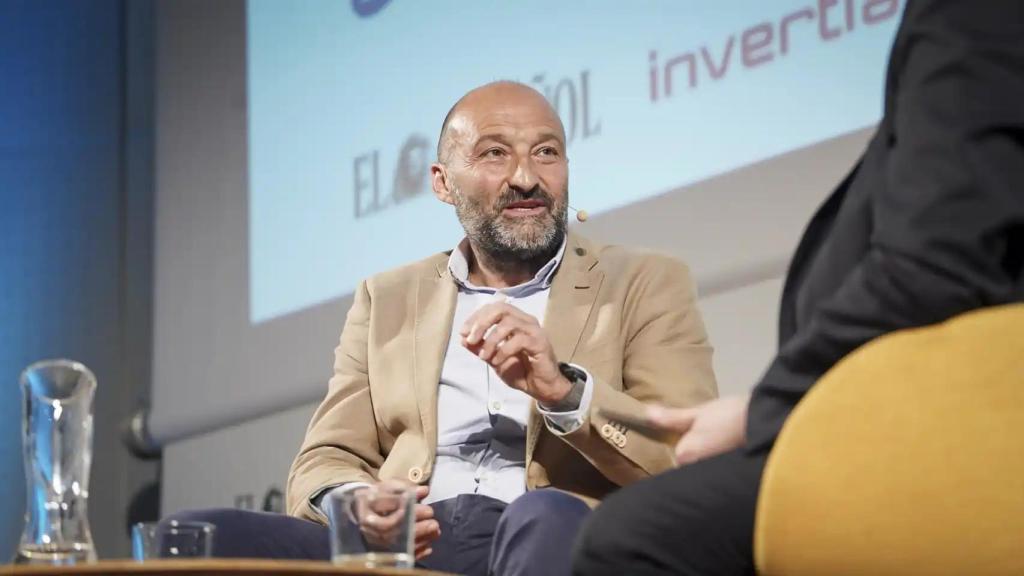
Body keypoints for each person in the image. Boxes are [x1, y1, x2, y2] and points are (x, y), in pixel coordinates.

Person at [171, 81, 717, 576]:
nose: (526, 177)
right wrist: (357, 502)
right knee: (200, 534)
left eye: (546, 152)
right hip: (411, 545)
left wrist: (563, 392)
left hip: (544, 529)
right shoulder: (387, 297)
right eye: (495, 153)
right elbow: (325, 457)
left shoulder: (642, 281)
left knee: (543, 515)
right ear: (443, 182)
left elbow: (688, 455)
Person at [571, 1, 1024, 574]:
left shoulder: (973, 14)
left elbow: (936, 264)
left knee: (631, 537)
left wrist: (767, 412)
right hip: (896, 413)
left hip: (948, 426)